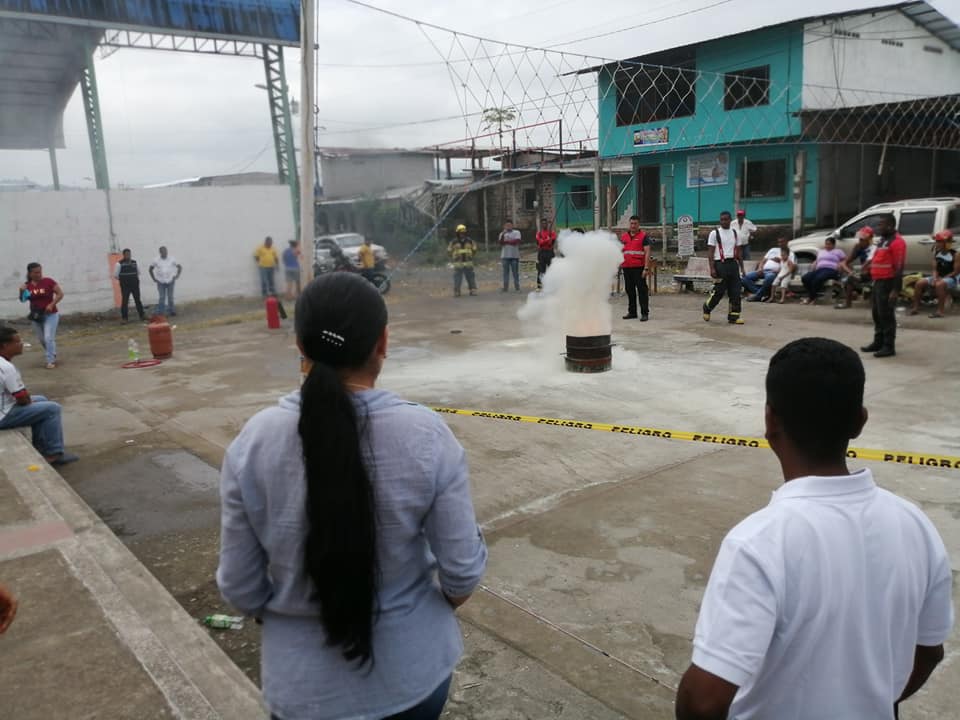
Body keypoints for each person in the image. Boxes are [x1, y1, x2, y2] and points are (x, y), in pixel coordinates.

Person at [217, 273, 487, 720]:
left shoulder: (254, 441)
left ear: (300, 345)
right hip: (413, 681)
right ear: (383, 343)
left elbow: (240, 588)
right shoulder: (426, 435)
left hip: (302, 693)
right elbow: (462, 573)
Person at [675, 337, 953, 720]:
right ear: (860, 421)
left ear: (770, 421)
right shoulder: (915, 524)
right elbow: (930, 651)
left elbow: (703, 702)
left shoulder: (758, 542)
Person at [0, 326, 78, 466]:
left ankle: (42, 447)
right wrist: (28, 401)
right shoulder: (5, 367)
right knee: (52, 409)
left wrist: (29, 401)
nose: (21, 344)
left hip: (4, 405)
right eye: (17, 342)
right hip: (3, 416)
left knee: (41, 400)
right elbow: (22, 398)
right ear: (5, 345)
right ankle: (52, 454)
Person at [861, 214, 906, 358]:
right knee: (877, 314)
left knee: (886, 315)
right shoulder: (883, 241)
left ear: (890, 226)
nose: (878, 227)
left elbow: (899, 267)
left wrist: (895, 290)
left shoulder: (897, 242)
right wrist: (868, 268)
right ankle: (878, 342)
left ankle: (888, 346)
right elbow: (878, 259)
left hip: (888, 282)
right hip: (878, 281)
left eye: (881, 225)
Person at [702, 211, 746, 325]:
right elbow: (710, 253)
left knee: (736, 291)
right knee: (719, 291)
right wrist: (712, 268)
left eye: (726, 219)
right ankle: (707, 307)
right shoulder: (714, 233)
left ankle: (734, 316)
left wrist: (742, 268)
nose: (724, 221)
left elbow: (739, 253)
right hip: (720, 264)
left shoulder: (736, 233)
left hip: (733, 264)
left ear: (730, 220)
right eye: (722, 219)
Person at [19, 262, 63, 369]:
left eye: (40, 272)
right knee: (42, 340)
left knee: (48, 338)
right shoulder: (27, 286)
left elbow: (60, 294)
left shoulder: (48, 281)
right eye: (36, 272)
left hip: (51, 315)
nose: (39, 274)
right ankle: (52, 352)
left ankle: (50, 360)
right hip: (36, 316)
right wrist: (21, 291)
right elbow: (23, 300)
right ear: (30, 273)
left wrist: (51, 304)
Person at [910, 230, 958, 319]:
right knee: (919, 283)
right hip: (939, 277)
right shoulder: (937, 253)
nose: (937, 244)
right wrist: (935, 278)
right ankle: (915, 307)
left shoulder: (955, 254)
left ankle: (940, 311)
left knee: (940, 285)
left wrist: (941, 279)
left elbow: (956, 272)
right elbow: (935, 269)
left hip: (952, 277)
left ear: (947, 243)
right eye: (937, 241)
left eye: (940, 242)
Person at [620, 215, 652, 320]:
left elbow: (647, 252)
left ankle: (644, 313)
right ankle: (632, 312)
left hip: (639, 268)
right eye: (631, 223)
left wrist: (646, 268)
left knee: (642, 291)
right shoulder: (624, 237)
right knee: (630, 290)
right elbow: (620, 251)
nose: (633, 226)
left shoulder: (644, 236)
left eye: (635, 224)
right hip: (626, 267)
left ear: (639, 225)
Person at [742, 237, 795, 302]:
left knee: (769, 278)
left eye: (782, 242)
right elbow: (763, 261)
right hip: (763, 271)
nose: (780, 244)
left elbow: (792, 267)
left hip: (774, 273)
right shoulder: (773, 250)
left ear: (787, 242)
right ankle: (762, 294)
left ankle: (757, 296)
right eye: (779, 242)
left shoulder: (790, 253)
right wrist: (760, 268)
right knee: (744, 278)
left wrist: (781, 262)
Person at [836, 227, 874, 310]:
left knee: (852, 277)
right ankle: (848, 303)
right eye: (860, 239)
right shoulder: (858, 247)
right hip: (864, 273)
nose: (860, 241)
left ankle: (870, 300)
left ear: (869, 239)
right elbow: (845, 262)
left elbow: (869, 263)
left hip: (875, 273)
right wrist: (849, 271)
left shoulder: (874, 248)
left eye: (862, 240)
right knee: (849, 279)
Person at [800, 236, 847, 305]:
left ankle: (811, 298)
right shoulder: (821, 251)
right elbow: (817, 260)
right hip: (820, 269)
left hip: (831, 270)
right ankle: (813, 297)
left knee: (818, 279)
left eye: (829, 244)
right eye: (826, 244)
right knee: (805, 278)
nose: (827, 246)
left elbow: (845, 260)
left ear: (833, 245)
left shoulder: (838, 251)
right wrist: (814, 264)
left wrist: (841, 264)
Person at [113, 248, 146, 323]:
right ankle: (124, 318)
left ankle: (142, 316)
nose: (128, 255)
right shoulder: (119, 264)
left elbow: (138, 272)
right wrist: (124, 279)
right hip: (125, 286)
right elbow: (116, 275)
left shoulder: (134, 262)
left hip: (135, 284)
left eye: (129, 254)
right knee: (125, 301)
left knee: (137, 300)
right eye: (126, 254)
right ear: (123, 255)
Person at [149, 246, 182, 317]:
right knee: (162, 297)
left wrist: (177, 275)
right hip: (160, 281)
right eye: (163, 251)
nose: (165, 253)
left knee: (170, 297)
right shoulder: (156, 260)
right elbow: (150, 269)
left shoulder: (172, 259)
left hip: (170, 281)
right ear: (160, 252)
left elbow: (179, 267)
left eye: (165, 251)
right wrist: (153, 278)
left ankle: (172, 311)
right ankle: (161, 312)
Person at [448, 224, 477, 297]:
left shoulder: (470, 241)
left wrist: (470, 256)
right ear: (457, 233)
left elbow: (474, 249)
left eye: (463, 232)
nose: (462, 234)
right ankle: (457, 292)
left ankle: (473, 290)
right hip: (458, 263)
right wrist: (454, 257)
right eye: (460, 233)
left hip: (468, 262)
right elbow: (449, 251)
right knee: (457, 278)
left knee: (470, 277)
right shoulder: (454, 242)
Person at [499, 220, 522, 292]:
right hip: (505, 256)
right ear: (504, 226)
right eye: (507, 225)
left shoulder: (517, 232)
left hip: (514, 256)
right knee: (505, 273)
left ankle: (517, 287)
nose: (508, 226)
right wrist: (503, 235)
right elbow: (501, 243)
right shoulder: (502, 234)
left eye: (509, 225)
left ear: (512, 225)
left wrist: (506, 242)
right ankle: (505, 287)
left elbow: (517, 242)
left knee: (515, 273)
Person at [535, 219, 557, 291]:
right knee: (541, 270)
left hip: (550, 252)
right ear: (541, 225)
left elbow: (552, 242)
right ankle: (539, 286)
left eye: (545, 223)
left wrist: (544, 241)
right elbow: (539, 243)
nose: (544, 225)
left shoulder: (552, 233)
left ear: (547, 224)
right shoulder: (538, 233)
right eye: (543, 223)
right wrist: (547, 240)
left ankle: (553, 285)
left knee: (552, 269)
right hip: (541, 253)